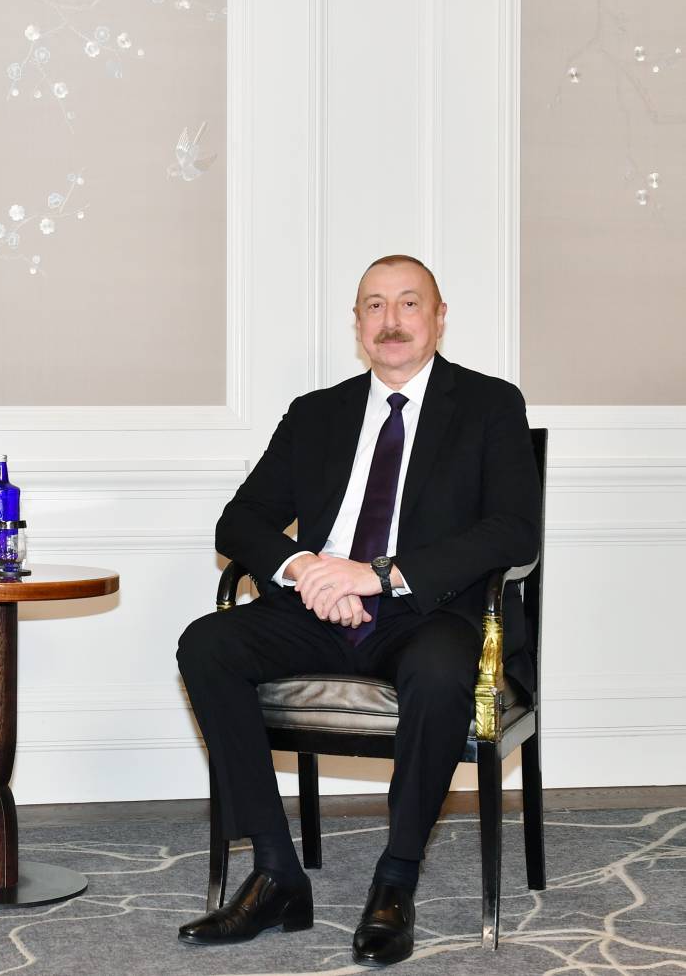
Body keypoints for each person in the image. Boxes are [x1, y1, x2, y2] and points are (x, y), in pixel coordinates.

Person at [175, 255, 540, 966]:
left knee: (440, 670)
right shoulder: (318, 413)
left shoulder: (490, 405)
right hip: (320, 607)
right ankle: (275, 874)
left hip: (428, 611)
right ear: (357, 323)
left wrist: (377, 576)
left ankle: (395, 880)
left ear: (438, 317)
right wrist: (307, 569)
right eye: (374, 305)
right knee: (207, 644)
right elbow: (239, 522)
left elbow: (512, 531)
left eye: (409, 303)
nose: (391, 321)